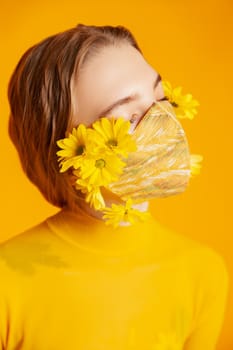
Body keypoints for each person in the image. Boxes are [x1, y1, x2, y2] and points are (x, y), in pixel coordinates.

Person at [0, 24, 229, 350]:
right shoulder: (6, 282)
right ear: (68, 152)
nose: (164, 120)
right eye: (129, 117)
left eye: (162, 97)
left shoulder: (204, 273)